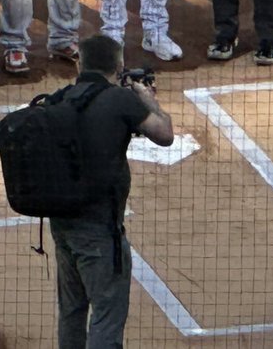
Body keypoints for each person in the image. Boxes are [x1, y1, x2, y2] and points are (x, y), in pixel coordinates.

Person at [49, 34, 175, 348]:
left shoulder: (61, 98)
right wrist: (146, 97)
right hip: (100, 232)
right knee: (106, 315)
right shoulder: (120, 100)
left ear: (80, 63)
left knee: (72, 310)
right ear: (119, 66)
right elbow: (165, 134)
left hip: (62, 225)